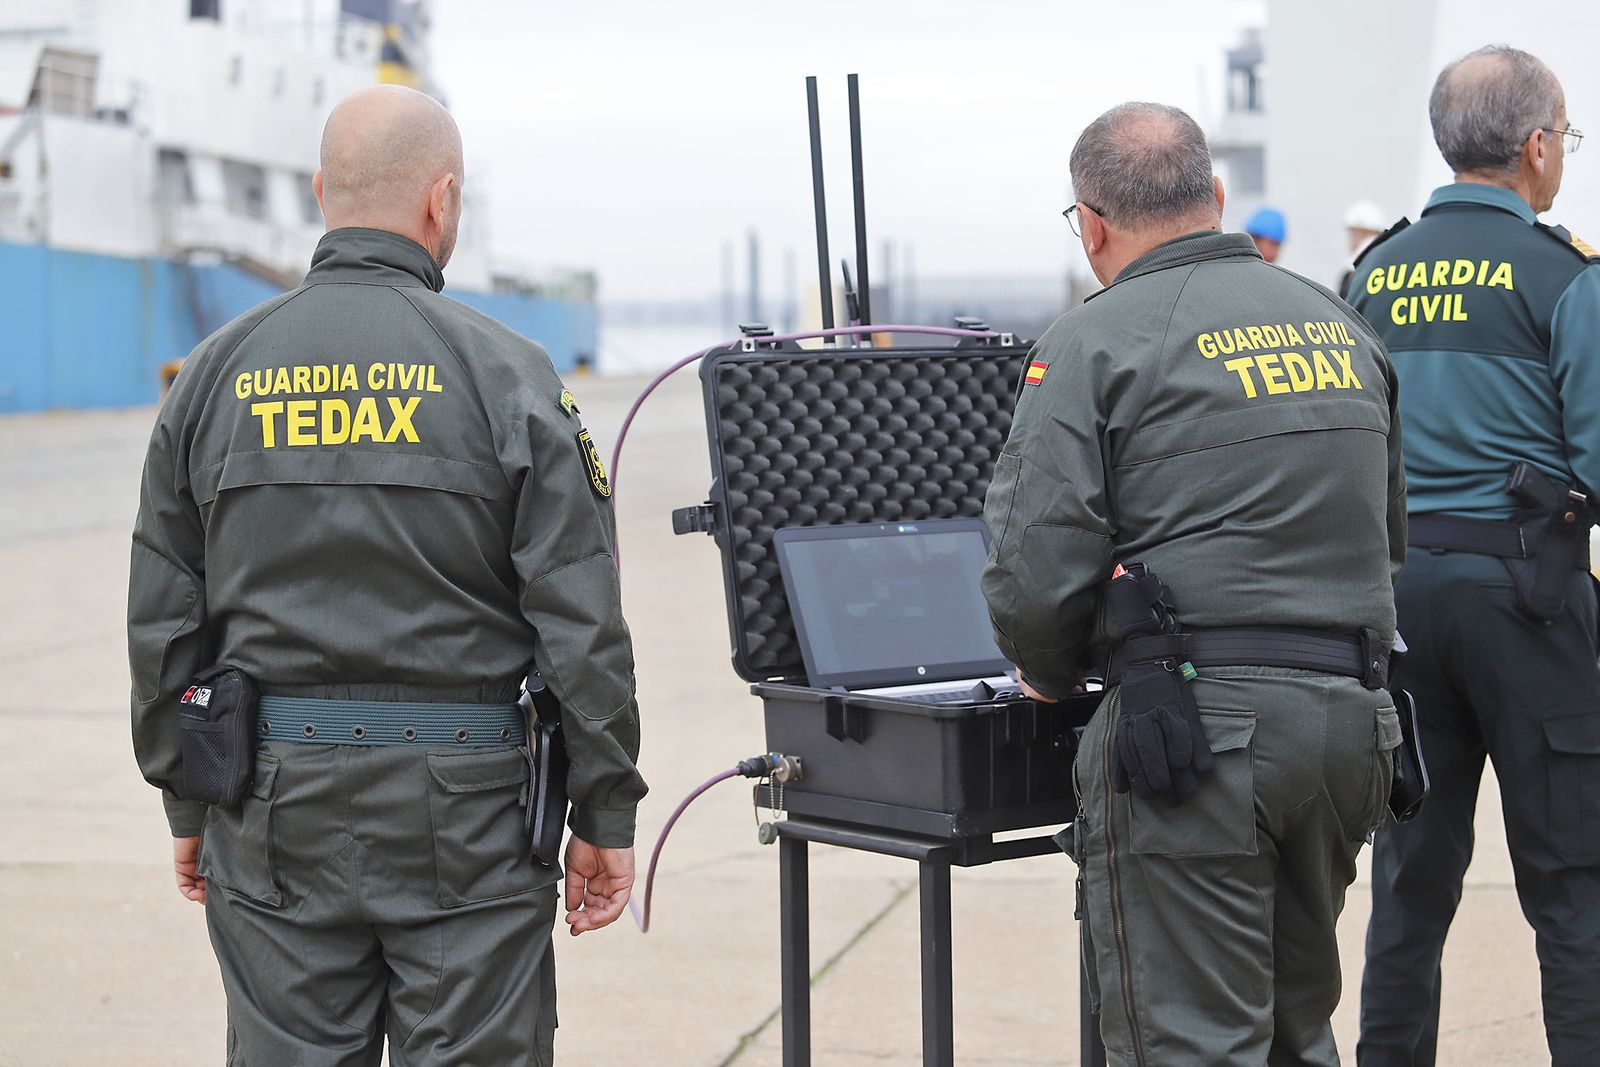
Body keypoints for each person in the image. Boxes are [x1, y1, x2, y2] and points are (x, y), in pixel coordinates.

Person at [126, 85, 647, 1065]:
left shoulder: (211, 374)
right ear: (440, 200)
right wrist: (604, 808)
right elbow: (581, 620)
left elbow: (162, 616)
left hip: (272, 804)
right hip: (472, 808)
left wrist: (187, 798)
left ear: (325, 191)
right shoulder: (508, 374)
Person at [982, 102, 1405, 1065]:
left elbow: (1033, 566)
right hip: (1348, 732)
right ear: (1215, 199)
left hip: (1196, 751)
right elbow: (1386, 542)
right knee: (1299, 1032)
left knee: (1192, 1044)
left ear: (1090, 223)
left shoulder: (1093, 341)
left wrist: (1046, 672)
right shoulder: (1341, 324)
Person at [1347, 45, 1600, 1067]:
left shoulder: (1373, 270)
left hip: (1398, 602)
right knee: (1573, 883)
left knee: (1409, 881)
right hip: (1528, 603)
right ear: (1535, 146)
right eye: (1567, 138)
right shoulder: (1561, 274)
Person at [1338, 199, 1388, 295]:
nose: (1355, 241)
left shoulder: (1380, 273)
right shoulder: (1348, 274)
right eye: (1353, 234)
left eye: (1360, 234)